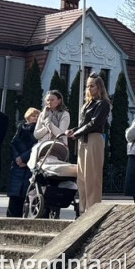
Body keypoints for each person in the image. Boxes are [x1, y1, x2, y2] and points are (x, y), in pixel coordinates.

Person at [69, 74, 111, 214]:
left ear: (99, 87)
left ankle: (92, 210)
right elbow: (84, 124)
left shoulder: (103, 103)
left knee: (92, 177)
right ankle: (83, 210)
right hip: (83, 139)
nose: (89, 88)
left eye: (92, 85)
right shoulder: (88, 103)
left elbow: (95, 123)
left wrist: (77, 133)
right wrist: (73, 130)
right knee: (82, 177)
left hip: (94, 139)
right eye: (87, 86)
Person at [6, 107, 40, 217]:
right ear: (27, 117)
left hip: (29, 165)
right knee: (14, 196)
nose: (35, 118)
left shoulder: (38, 131)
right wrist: (17, 158)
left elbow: (36, 147)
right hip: (17, 166)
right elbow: (13, 144)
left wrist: (24, 158)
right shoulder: (20, 128)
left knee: (26, 194)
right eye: (33, 116)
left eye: (37, 116)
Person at [33, 90, 70, 164]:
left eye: (52, 100)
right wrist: (46, 128)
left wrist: (50, 124)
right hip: (42, 148)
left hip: (57, 149)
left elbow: (60, 134)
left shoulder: (64, 114)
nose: (49, 102)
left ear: (59, 101)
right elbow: (36, 134)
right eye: (47, 100)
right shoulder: (42, 115)